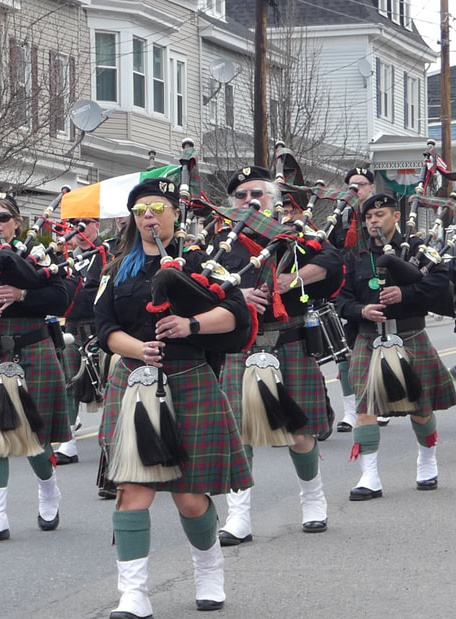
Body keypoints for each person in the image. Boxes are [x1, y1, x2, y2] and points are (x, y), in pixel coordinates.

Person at [96, 178, 252, 617]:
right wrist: (137, 348)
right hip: (133, 381)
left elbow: (237, 314)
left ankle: (208, 570)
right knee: (133, 490)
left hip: (189, 379)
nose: (149, 215)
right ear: (133, 217)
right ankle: (134, 594)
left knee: (189, 495)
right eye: (142, 208)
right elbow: (103, 328)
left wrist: (191, 326)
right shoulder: (117, 269)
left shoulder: (203, 260)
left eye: (158, 207)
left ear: (173, 215)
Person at [216, 166, 342, 543]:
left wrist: (296, 277)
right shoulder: (220, 243)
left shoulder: (297, 235)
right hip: (240, 345)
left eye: (258, 193)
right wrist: (234, 296)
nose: (249, 200)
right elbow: (197, 285)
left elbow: (335, 264)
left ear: (274, 200)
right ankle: (238, 516)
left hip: (287, 343)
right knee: (239, 434)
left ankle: (313, 499)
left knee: (299, 431)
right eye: (240, 195)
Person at [0, 193, 72, 544]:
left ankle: (48, 491)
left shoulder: (40, 257)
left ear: (17, 221)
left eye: (2, 217)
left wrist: (22, 296)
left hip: (33, 346)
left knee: (35, 437)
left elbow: (63, 298)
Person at [336, 193, 456, 500]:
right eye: (369, 217)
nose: (374, 221)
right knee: (365, 408)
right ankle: (370, 476)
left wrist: (407, 293)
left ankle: (427, 459)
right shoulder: (355, 256)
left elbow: (441, 280)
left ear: (395, 217)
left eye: (380, 215)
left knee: (421, 408)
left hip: (410, 334)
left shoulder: (416, 248)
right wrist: (360, 310)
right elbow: (340, 298)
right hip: (368, 338)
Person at [54, 215, 108, 465]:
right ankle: (68, 443)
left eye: (85, 222)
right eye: (73, 223)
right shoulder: (63, 258)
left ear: (97, 224)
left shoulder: (109, 254)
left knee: (107, 383)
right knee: (69, 381)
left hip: (101, 326)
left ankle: (110, 436)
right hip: (72, 328)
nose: (79, 229)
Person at [333, 167, 376, 433]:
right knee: (344, 353)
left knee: (378, 351)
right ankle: (350, 410)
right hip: (347, 291)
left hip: (374, 288)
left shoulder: (380, 214)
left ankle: (377, 403)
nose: (356, 189)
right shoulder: (341, 217)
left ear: (371, 187)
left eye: (361, 184)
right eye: (351, 185)